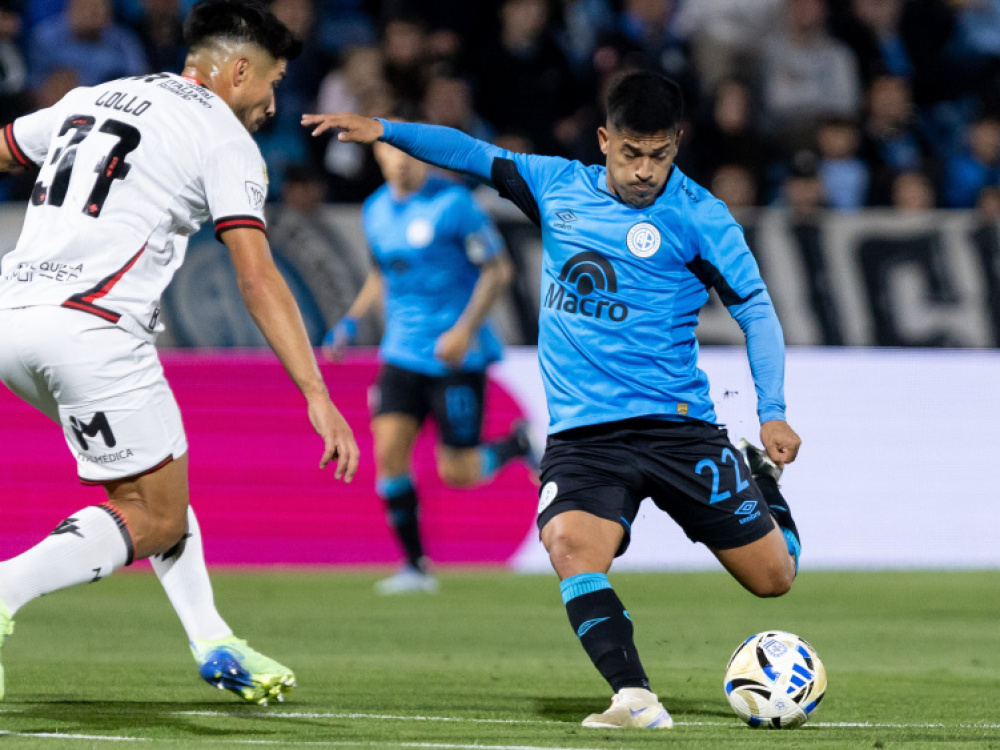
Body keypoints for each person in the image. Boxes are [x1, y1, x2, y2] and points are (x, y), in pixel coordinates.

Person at [303, 70, 802, 728]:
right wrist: (386, 130)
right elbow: (470, 153)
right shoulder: (556, 185)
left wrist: (772, 410)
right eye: (631, 152)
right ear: (604, 140)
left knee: (774, 578)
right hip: (585, 436)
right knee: (569, 546)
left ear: (677, 144)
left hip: (676, 427)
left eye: (658, 155)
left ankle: (760, 482)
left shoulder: (701, 216)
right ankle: (633, 696)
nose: (644, 171)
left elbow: (756, 311)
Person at [0, 0, 359, 704]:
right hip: (93, 328)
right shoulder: (223, 138)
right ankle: (7, 586)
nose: (272, 103)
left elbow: (7, 147)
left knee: (158, 473)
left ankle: (212, 638)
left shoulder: (95, 97)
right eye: (273, 82)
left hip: (13, 319)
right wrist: (317, 392)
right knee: (155, 514)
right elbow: (257, 278)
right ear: (239, 70)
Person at [324, 135, 538, 595]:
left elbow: (499, 270)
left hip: (455, 356)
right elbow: (383, 271)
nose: (401, 162)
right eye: (390, 153)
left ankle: (517, 445)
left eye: (408, 153)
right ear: (378, 156)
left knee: (457, 471)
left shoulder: (455, 204)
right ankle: (415, 567)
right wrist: (352, 319)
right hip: (402, 352)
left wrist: (464, 330)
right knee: (388, 454)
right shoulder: (375, 210)